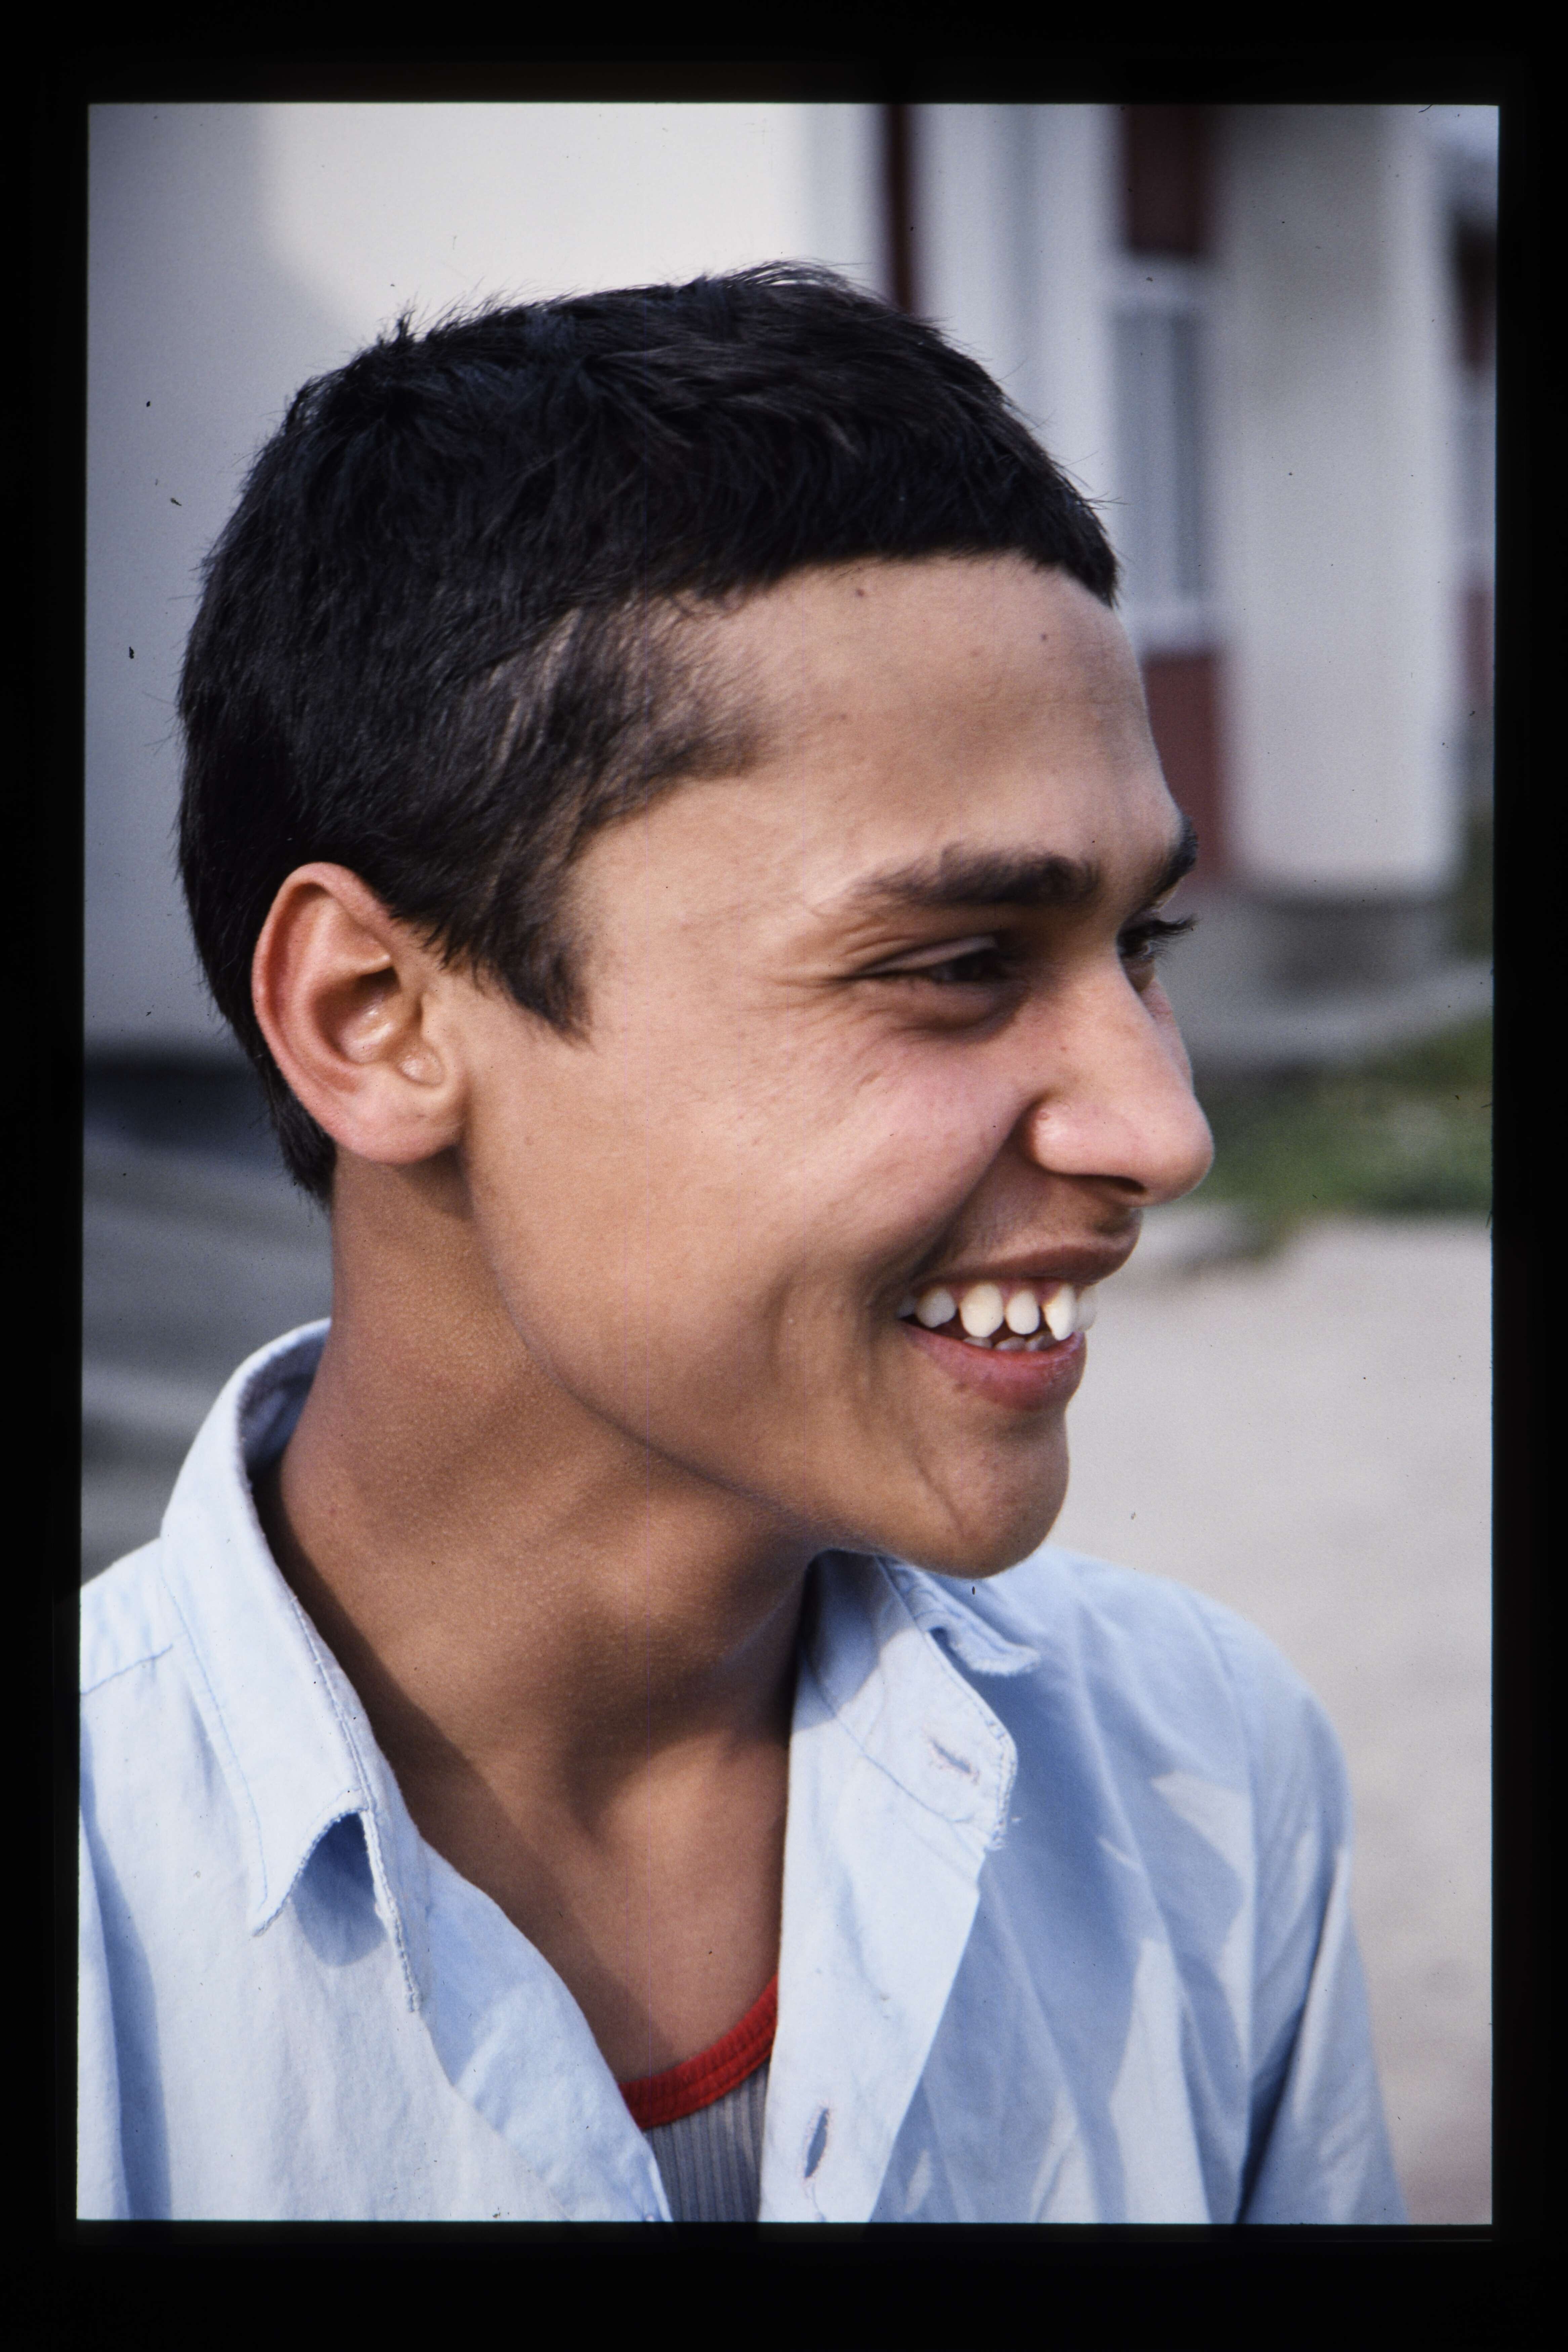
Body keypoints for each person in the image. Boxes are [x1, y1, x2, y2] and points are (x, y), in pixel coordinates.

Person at [78, 265, 1404, 2223]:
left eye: (1140, 944)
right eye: (958, 963)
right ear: (377, 1017)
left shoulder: (1199, 1777)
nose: (1162, 1129)